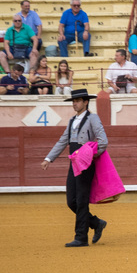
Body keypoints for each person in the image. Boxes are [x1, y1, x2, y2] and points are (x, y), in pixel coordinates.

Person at [40, 88, 109, 248]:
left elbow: (103, 141)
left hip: (85, 165)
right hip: (74, 164)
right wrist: (48, 158)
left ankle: (81, 237)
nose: (74, 103)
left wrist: (91, 156)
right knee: (72, 201)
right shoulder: (72, 121)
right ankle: (96, 223)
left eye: (77, 101)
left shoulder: (93, 118)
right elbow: (63, 141)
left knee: (81, 200)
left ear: (86, 102)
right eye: (73, 101)